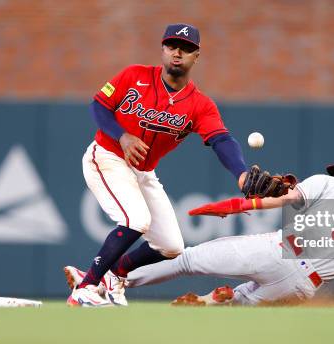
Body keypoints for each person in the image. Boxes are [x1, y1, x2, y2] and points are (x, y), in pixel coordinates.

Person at [117, 148, 334, 307]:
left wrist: (228, 207)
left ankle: (113, 283)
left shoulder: (330, 183)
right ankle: (216, 300)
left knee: (187, 261)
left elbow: (272, 202)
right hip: (301, 289)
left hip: (281, 253)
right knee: (235, 309)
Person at [66, 23, 253, 307]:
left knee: (171, 246)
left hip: (143, 171)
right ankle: (87, 287)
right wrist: (122, 136)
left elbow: (222, 140)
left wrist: (241, 174)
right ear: (163, 50)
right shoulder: (134, 75)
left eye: (186, 48)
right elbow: (99, 106)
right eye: (172, 46)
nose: (178, 52)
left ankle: (114, 276)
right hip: (107, 156)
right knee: (136, 220)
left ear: (196, 56)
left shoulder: (200, 105)